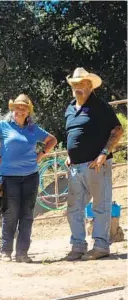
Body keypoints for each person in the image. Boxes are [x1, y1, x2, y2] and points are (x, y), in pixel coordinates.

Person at [0, 94, 57, 263]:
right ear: (12, 109)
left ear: (28, 111)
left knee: (27, 214)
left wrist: (41, 155)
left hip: (30, 176)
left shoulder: (34, 129)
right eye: (17, 107)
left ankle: (22, 252)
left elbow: (52, 140)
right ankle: (5, 250)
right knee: (10, 213)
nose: (20, 110)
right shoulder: (2, 126)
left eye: (24, 108)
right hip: (9, 176)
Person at [63, 68, 124, 261]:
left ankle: (100, 246)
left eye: (81, 84)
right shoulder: (70, 108)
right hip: (75, 166)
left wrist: (104, 154)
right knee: (74, 207)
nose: (77, 88)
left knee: (101, 205)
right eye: (75, 84)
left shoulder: (100, 106)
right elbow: (71, 134)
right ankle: (78, 246)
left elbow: (117, 129)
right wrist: (68, 154)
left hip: (96, 164)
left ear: (90, 85)